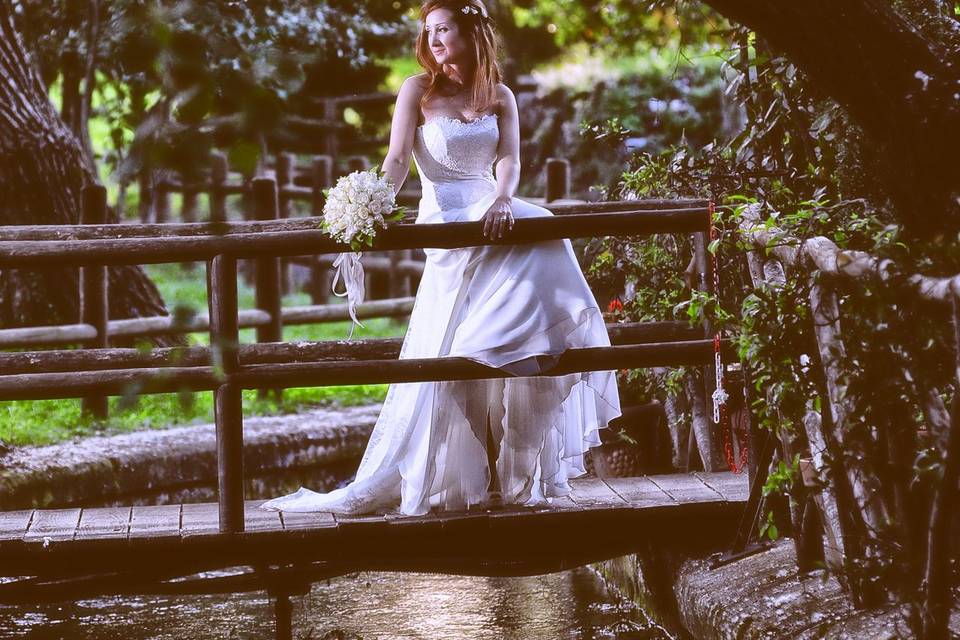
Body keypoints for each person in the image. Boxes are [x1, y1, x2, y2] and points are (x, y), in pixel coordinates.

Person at [262, 0, 621, 516]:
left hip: (488, 205)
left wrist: (501, 199)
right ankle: (476, 452)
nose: (433, 40)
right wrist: (370, 206)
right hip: (444, 214)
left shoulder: (500, 96)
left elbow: (510, 159)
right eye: (428, 31)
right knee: (454, 353)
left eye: (444, 29)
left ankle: (539, 349)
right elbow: (396, 159)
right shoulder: (418, 90)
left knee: (541, 228)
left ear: (471, 33)